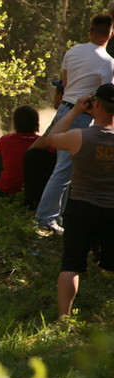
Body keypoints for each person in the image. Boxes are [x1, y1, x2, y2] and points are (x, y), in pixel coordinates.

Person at [31, 14, 114, 235]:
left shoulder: (73, 51)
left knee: (67, 169)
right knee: (65, 171)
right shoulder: (107, 62)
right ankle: (45, 219)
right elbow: (105, 98)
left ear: (90, 31)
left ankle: (60, 217)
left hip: (64, 110)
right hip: (83, 115)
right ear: (111, 34)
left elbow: (66, 83)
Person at [44, 83, 114, 318]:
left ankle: (63, 317)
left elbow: (52, 138)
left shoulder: (79, 137)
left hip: (81, 208)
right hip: (112, 210)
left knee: (71, 265)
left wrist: (74, 111)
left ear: (95, 104)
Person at [0, 105, 40, 197]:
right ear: (36, 123)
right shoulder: (43, 142)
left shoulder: (5, 140)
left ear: (15, 123)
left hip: (6, 190)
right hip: (34, 191)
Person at [23, 81, 61, 210]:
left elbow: (45, 142)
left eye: (55, 93)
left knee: (33, 155)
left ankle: (33, 205)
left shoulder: (66, 113)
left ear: (61, 96)